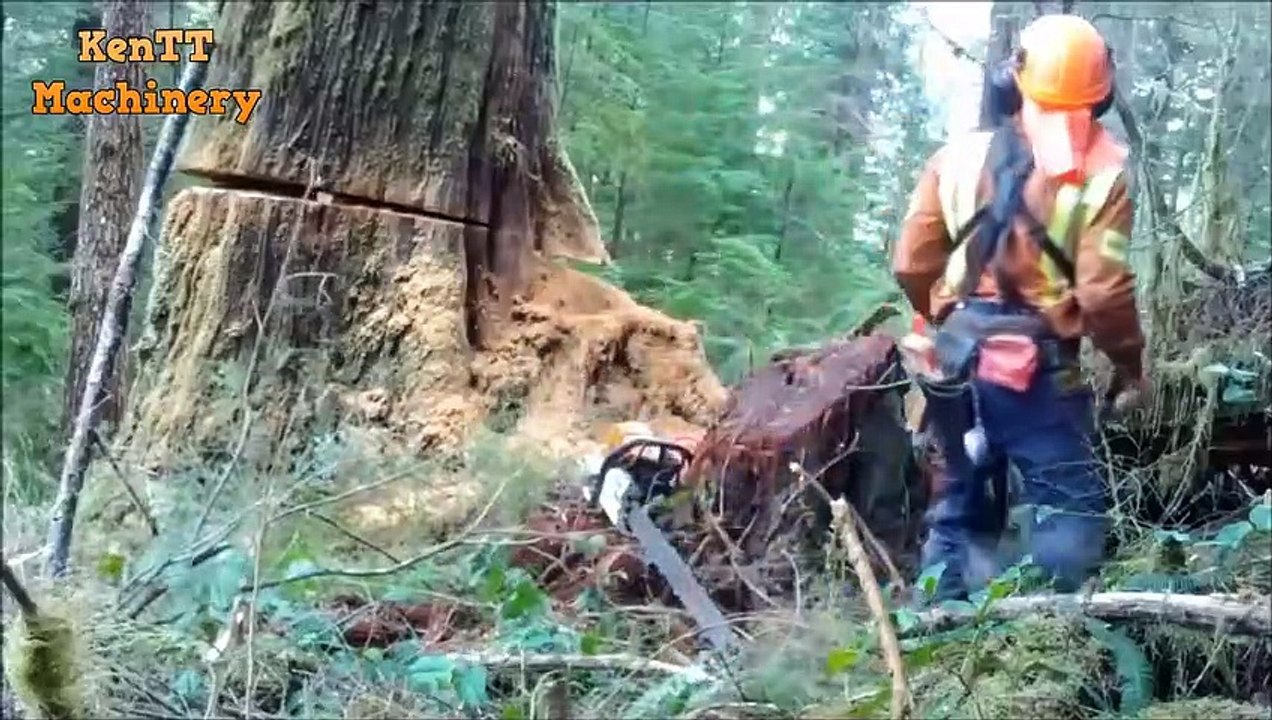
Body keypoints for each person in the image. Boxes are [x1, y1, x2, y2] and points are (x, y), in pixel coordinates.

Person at [891, 14, 1148, 601]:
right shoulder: (1103, 174)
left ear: (1016, 80)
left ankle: (935, 627)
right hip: (1039, 368)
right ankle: (1047, 647)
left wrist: (941, 321)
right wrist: (1130, 367)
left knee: (959, 497)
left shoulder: (957, 158)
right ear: (1101, 93)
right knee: (1068, 506)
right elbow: (1104, 290)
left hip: (956, 357)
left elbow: (911, 262)